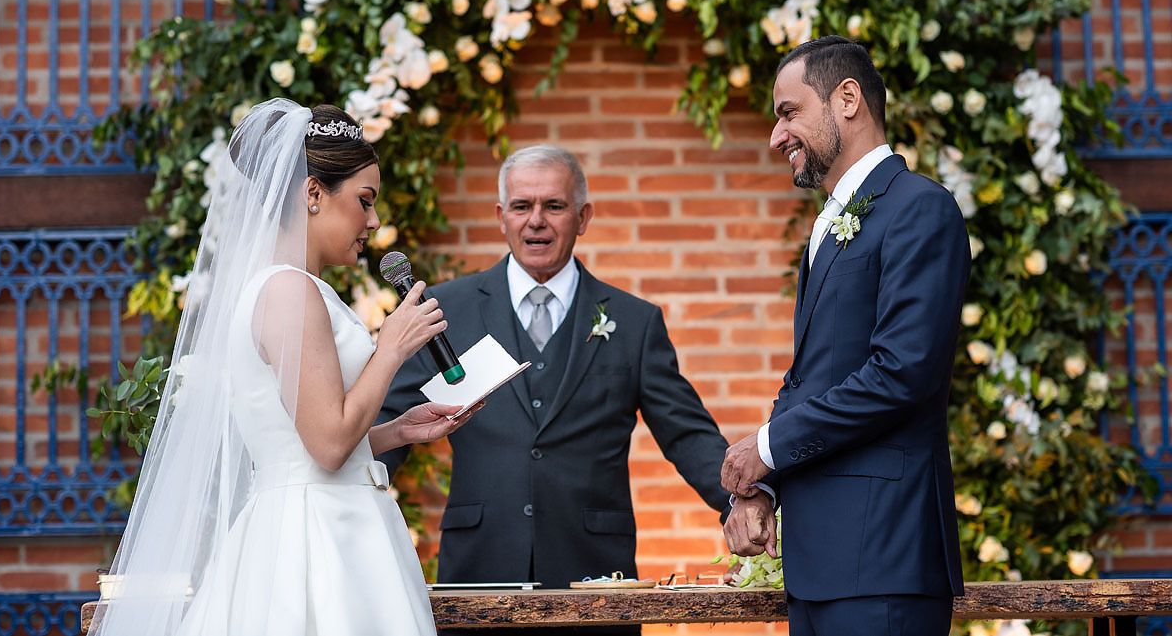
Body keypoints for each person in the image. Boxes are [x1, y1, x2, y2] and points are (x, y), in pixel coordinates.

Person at [92, 99, 480, 636]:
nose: (373, 221)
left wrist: (392, 432)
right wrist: (390, 346)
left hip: (321, 516)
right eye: (365, 201)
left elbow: (298, 436)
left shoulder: (290, 287)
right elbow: (326, 445)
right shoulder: (289, 291)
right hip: (315, 537)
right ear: (314, 194)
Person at [378, 144, 730, 634]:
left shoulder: (634, 321)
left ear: (583, 217)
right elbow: (389, 424)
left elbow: (687, 434)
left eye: (554, 206)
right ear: (501, 217)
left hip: (595, 578)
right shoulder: (445, 309)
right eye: (522, 207)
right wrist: (343, 495)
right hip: (480, 575)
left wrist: (741, 500)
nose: (536, 221)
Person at [719, 36, 969, 635]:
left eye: (789, 113)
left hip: (884, 558)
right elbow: (813, 376)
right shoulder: (827, 229)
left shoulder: (920, 209)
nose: (777, 136)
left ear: (848, 98)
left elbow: (902, 373)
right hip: (820, 566)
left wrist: (769, 447)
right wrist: (764, 488)